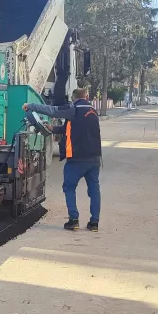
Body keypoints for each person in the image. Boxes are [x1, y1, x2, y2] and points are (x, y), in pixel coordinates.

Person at [23, 88, 101, 232]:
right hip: (95, 158)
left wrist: (32, 106)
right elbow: (72, 127)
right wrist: (53, 128)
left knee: (69, 188)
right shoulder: (93, 111)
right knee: (94, 190)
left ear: (73, 98)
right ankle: (94, 222)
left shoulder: (73, 108)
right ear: (87, 96)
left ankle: (73, 220)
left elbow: (52, 110)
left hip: (77, 158)